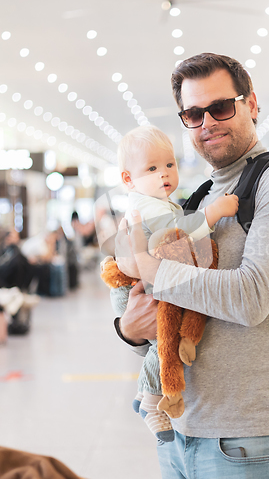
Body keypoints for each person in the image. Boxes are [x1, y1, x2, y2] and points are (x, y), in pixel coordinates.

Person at [111, 53, 269, 478]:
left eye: (221, 107)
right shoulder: (202, 196)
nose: (208, 121)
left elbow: (250, 298)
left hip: (249, 439)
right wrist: (129, 329)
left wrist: (153, 272)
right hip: (182, 429)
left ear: (251, 105)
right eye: (193, 113)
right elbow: (159, 307)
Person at [111, 124, 238, 442]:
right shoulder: (147, 206)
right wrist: (213, 213)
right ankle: (151, 400)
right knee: (163, 339)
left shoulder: (155, 202)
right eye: (152, 168)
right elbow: (177, 232)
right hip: (138, 287)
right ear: (129, 179)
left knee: (163, 338)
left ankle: (146, 397)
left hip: (139, 282)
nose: (164, 173)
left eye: (170, 165)